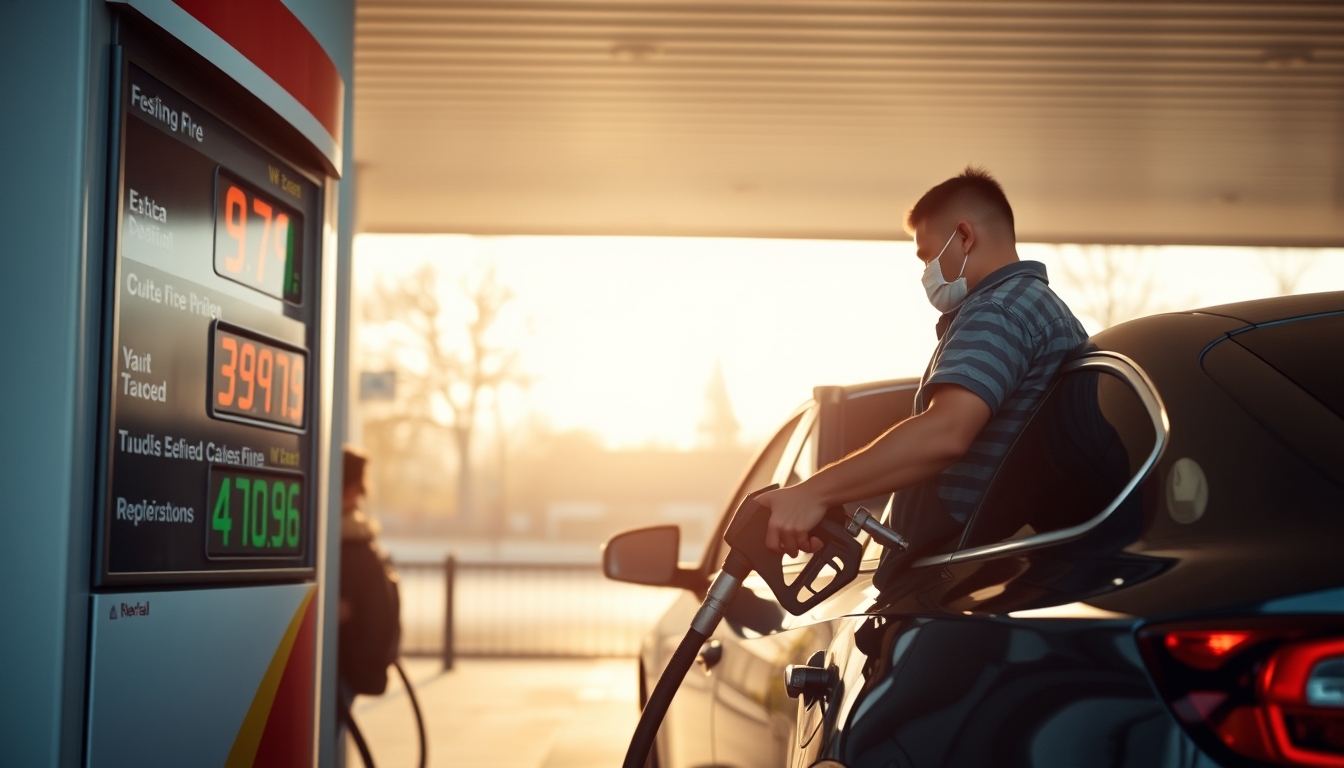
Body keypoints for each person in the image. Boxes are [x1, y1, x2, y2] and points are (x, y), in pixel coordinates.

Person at [759, 167, 1089, 563]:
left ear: (965, 236)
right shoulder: (1041, 308)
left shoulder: (998, 309)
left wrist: (813, 491)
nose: (927, 272)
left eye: (928, 255)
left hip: (961, 579)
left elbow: (946, 432)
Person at [338, 446, 401, 699]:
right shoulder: (365, 543)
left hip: (344, 666)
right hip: (353, 667)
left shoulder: (345, 546)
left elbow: (342, 610)